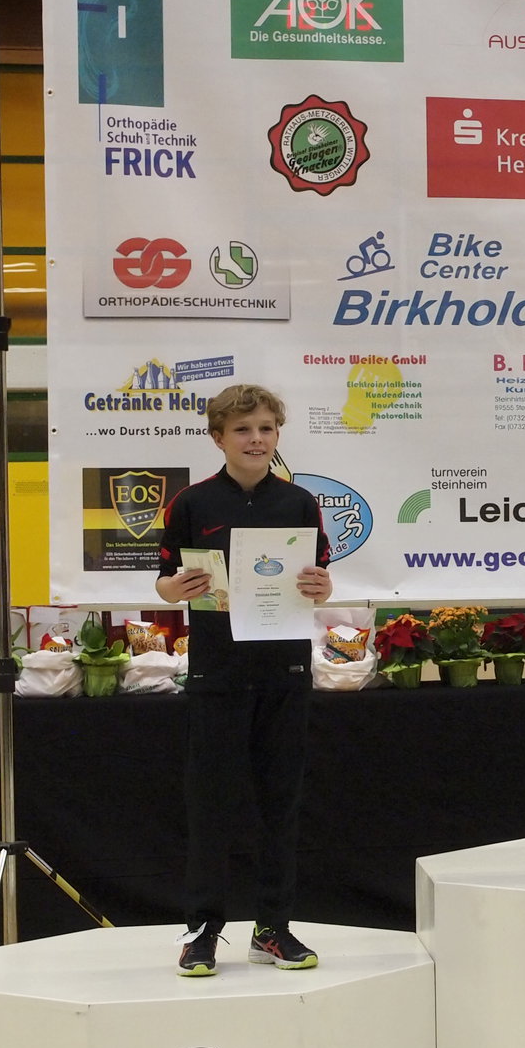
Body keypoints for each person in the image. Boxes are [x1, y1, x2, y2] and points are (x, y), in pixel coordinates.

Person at [155, 384, 332, 977]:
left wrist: (321, 587)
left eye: (266, 429)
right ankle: (202, 931)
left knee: (281, 803)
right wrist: (173, 589)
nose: (256, 439)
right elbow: (165, 580)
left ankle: (273, 929)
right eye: (242, 430)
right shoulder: (192, 503)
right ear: (218, 438)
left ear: (277, 434)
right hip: (218, 673)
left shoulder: (300, 503)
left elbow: (319, 577)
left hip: (285, 673)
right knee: (210, 806)